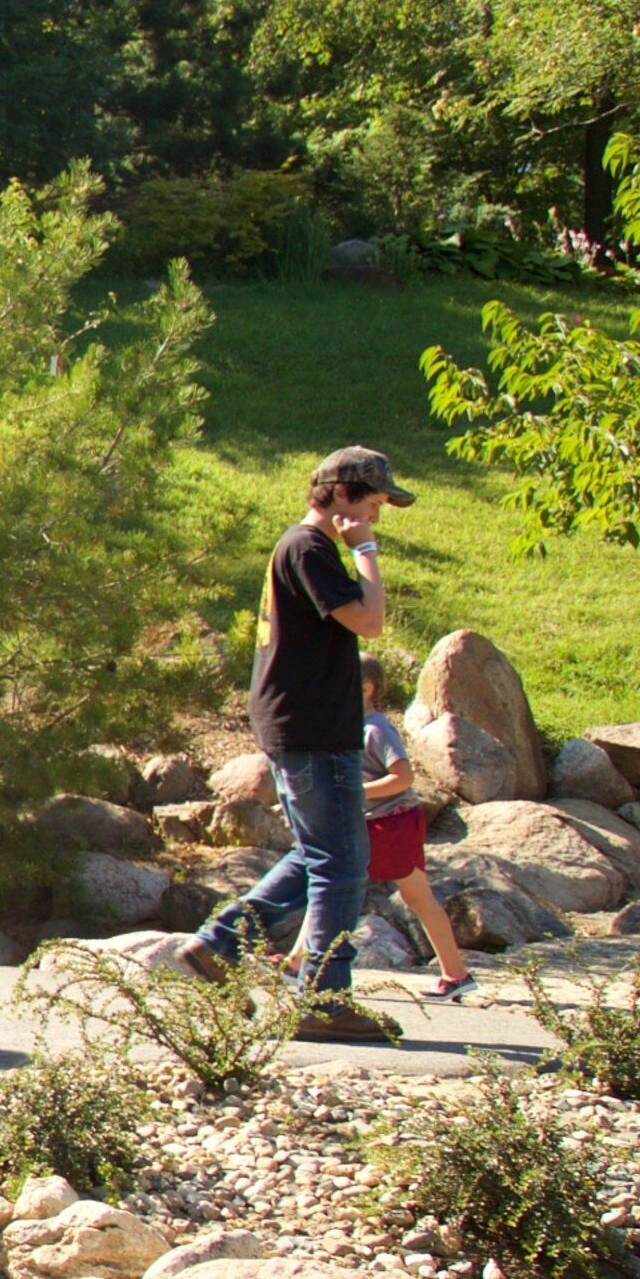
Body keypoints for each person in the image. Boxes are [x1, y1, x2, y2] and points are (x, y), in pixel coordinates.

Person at [180, 446, 411, 1040]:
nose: (377, 515)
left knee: (325, 854)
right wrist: (364, 551)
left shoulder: (306, 548)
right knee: (341, 861)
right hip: (310, 726)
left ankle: (219, 945)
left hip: (307, 723)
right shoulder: (309, 548)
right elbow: (370, 620)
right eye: (372, 501)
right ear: (338, 493)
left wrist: (357, 545)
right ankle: (323, 998)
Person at [361, 657, 475, 1003]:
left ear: (366, 689)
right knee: (334, 886)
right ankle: (456, 975)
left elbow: (404, 777)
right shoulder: (351, 725)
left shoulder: (376, 729)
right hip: (372, 821)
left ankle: (297, 964)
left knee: (338, 885)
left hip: (391, 822)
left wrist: (357, 793)